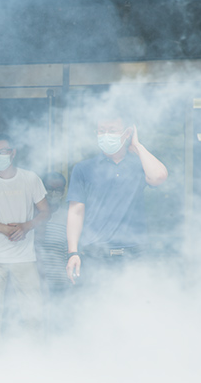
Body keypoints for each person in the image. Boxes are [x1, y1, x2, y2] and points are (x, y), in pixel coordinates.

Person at [65, 117, 168, 287]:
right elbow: (75, 212)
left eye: (112, 130)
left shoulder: (139, 165)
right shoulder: (84, 168)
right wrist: (73, 253)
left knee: (136, 302)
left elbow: (159, 177)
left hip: (134, 255)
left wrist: (137, 146)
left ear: (127, 133)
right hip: (95, 255)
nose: (106, 135)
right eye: (101, 131)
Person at [0, 133, 50, 341]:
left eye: (3, 151)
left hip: (24, 257)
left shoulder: (30, 178)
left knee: (33, 311)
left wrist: (26, 226)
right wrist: (3, 229)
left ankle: (36, 351)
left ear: (13, 153)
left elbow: (45, 212)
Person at [35, 171, 72, 332]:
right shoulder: (31, 214)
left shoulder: (68, 216)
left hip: (60, 280)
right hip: (35, 280)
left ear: (64, 191)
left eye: (59, 189)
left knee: (59, 321)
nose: (54, 193)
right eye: (50, 189)